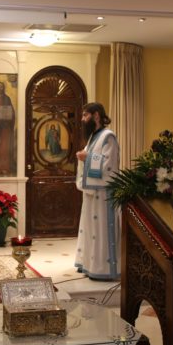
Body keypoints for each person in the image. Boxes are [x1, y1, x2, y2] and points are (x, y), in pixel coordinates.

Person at [74, 102, 121, 281]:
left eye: (85, 115)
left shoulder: (108, 137)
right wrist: (85, 157)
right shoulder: (93, 137)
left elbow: (109, 165)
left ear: (96, 116)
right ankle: (90, 265)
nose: (82, 119)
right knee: (90, 230)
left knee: (100, 231)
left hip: (103, 194)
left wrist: (87, 158)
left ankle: (104, 269)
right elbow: (93, 158)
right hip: (91, 193)